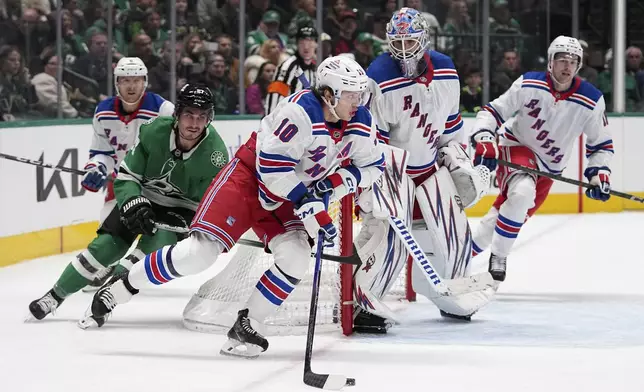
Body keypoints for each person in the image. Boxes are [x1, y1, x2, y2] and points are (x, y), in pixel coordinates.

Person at [84, 56, 386, 358]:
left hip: (287, 195)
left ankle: (248, 323)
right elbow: (271, 166)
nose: (358, 102)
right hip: (249, 180)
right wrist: (307, 201)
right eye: (351, 94)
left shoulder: (360, 120)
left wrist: (329, 186)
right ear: (330, 94)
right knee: (199, 255)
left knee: (296, 256)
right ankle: (123, 287)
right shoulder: (300, 112)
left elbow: (374, 166)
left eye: (360, 94)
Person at [27, 85, 229, 323]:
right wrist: (133, 201)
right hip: (143, 196)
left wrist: (198, 228)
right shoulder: (153, 132)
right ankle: (54, 296)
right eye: (189, 115)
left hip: (180, 210)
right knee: (104, 247)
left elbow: (211, 204)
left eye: (201, 117)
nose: (194, 124)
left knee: (148, 253)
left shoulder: (216, 155)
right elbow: (127, 177)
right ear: (177, 114)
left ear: (209, 118)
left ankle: (109, 294)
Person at [353, 7, 490, 327]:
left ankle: (450, 293)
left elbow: (451, 130)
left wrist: (459, 161)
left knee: (457, 233)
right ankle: (361, 300)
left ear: (424, 40)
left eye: (410, 42)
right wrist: (372, 182)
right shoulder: (379, 75)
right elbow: (373, 138)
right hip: (392, 168)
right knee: (391, 243)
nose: (403, 50)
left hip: (429, 167)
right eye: (397, 42)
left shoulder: (445, 70)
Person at [470, 36, 613, 282]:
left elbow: (601, 144)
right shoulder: (528, 84)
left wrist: (600, 173)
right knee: (522, 192)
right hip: (516, 146)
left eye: (573, 61)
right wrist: (484, 137)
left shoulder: (591, 100)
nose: (567, 66)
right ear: (550, 61)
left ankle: (457, 257)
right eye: (561, 60)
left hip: (549, 169)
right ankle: (500, 256)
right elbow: (494, 111)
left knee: (501, 219)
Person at [264, 25, 318, 115]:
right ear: (297, 44)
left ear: (316, 44)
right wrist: (271, 124)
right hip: (287, 121)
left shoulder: (314, 69)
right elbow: (274, 97)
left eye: (310, 41)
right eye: (302, 42)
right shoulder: (287, 67)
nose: (306, 47)